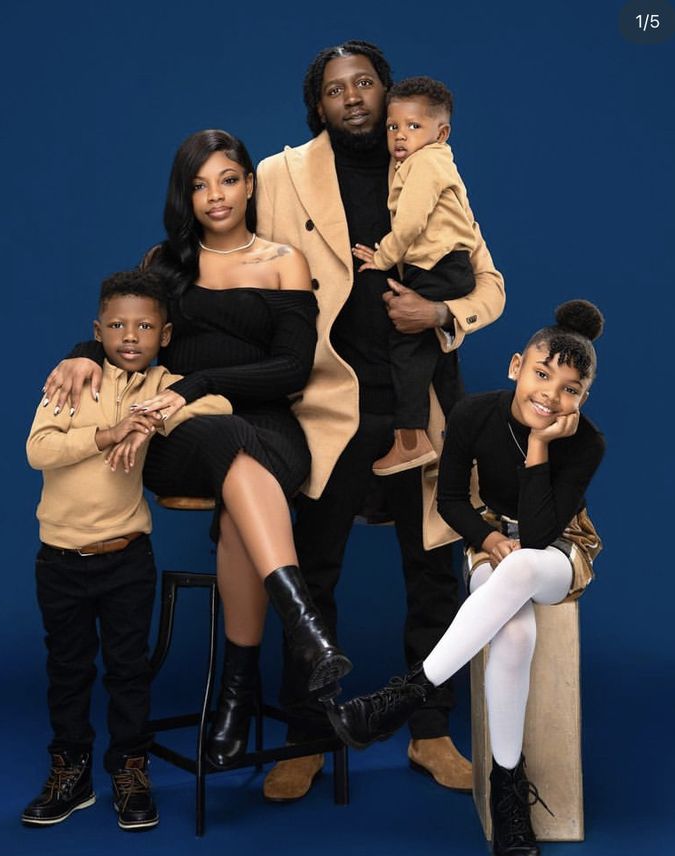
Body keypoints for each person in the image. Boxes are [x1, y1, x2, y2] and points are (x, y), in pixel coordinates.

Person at [40, 129, 352, 773]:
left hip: (267, 429)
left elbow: (292, 370)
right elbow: (127, 334)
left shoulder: (282, 261)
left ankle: (235, 697)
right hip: (174, 433)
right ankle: (302, 625)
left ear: (249, 184)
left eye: (228, 179)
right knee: (219, 441)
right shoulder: (165, 262)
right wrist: (78, 354)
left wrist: (201, 383)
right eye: (200, 183)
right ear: (184, 194)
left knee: (239, 469)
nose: (215, 195)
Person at [255, 39, 506, 801]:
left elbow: (487, 283)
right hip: (326, 401)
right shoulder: (278, 175)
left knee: (431, 571)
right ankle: (307, 733)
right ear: (317, 103)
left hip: (423, 402)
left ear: (390, 95)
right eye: (336, 89)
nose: (353, 98)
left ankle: (430, 731)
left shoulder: (429, 161)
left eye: (365, 83)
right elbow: (227, 264)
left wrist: (440, 311)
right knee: (311, 570)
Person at [326, 300, 606, 856]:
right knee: (513, 634)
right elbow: (450, 499)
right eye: (542, 374)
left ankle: (404, 694)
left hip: (559, 550)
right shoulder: (474, 415)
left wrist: (540, 446)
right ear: (515, 367)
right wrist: (484, 536)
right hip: (490, 542)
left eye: (571, 389)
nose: (552, 395)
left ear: (583, 399)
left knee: (525, 569)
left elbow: (543, 530)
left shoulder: (587, 444)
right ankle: (509, 793)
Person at [23, 270, 234, 830]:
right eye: (117, 325)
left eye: (144, 326)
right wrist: (107, 433)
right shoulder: (75, 379)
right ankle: (69, 772)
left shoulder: (165, 383)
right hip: (61, 559)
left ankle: (129, 770)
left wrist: (152, 415)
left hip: (126, 558)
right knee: (67, 669)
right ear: (98, 331)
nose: (130, 336)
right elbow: (38, 449)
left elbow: (218, 408)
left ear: (164, 335)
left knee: (127, 671)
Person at [351, 76, 477, 477]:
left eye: (413, 127)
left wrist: (383, 257)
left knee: (405, 345)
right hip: (446, 266)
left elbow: (409, 223)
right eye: (393, 127)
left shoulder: (426, 162)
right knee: (441, 362)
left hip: (440, 268)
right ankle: (464, 444)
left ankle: (410, 439)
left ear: (441, 133)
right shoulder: (426, 161)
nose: (400, 136)